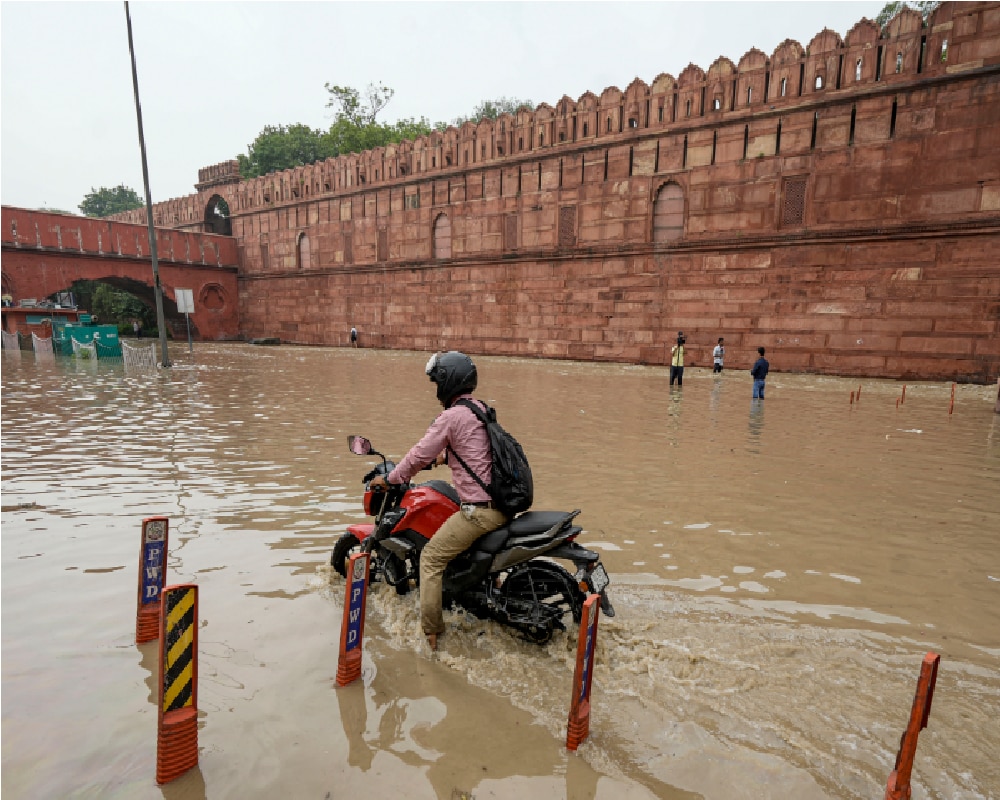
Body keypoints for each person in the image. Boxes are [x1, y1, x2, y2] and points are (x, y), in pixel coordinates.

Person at [369, 351, 507, 651]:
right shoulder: (479, 409)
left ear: (448, 382)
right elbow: (474, 452)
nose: (435, 391)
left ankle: (432, 635)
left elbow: (418, 454)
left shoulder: (451, 416)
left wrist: (390, 479)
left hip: (479, 513)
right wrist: (443, 459)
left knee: (431, 559)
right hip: (501, 506)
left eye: (437, 383)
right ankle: (485, 586)